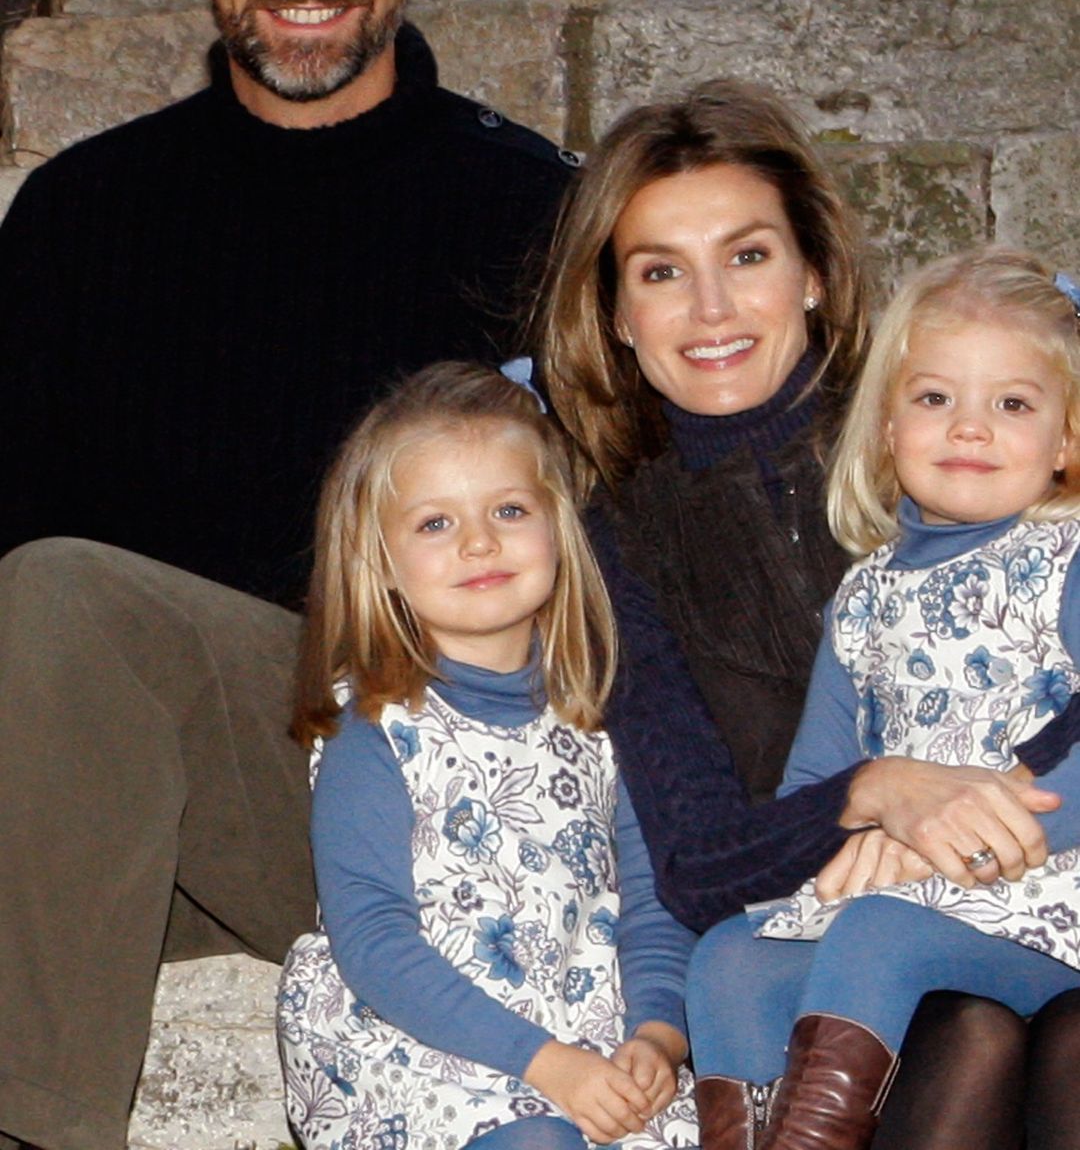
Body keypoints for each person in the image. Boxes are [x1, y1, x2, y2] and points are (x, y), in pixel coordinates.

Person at [0, 0, 570, 1150]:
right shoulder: (83, 218)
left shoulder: (537, 212)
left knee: (69, 598)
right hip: (166, 790)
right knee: (54, 607)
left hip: (451, 803)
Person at [536, 80, 1080, 1149]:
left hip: (1026, 882)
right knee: (917, 1013)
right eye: (660, 273)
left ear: (817, 275)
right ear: (614, 312)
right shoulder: (614, 538)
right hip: (839, 914)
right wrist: (873, 799)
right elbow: (700, 861)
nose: (712, 309)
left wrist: (954, 828)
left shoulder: (962, 446)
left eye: (747, 257)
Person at [686, 247, 1080, 1150]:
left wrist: (944, 854)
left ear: (1066, 441)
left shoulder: (1067, 558)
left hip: (1043, 886)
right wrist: (858, 840)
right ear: (887, 427)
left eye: (1012, 404)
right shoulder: (864, 599)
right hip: (910, 895)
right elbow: (817, 786)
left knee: (875, 937)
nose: (969, 429)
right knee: (729, 958)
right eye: (934, 398)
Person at [276, 361, 699, 1149]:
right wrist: (543, 1066)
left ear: (559, 529)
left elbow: (654, 903)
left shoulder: (611, 723)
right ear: (382, 562)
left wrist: (658, 1035)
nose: (478, 542)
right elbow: (373, 940)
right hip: (429, 1044)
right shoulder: (377, 731)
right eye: (435, 523)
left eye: (508, 509)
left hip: (589, 1035)